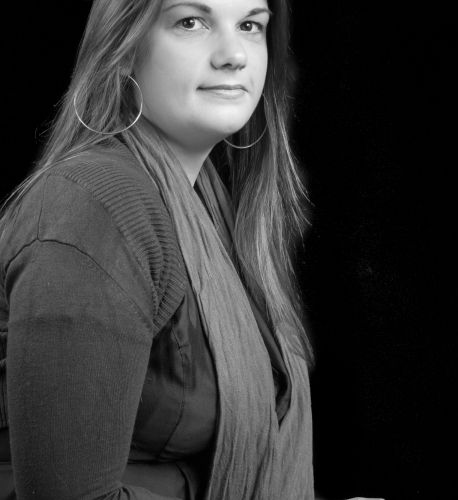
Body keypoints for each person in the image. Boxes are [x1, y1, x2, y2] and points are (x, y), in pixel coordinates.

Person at [0, 0, 317, 499]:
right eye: (191, 22)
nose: (234, 54)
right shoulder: (95, 207)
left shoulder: (208, 209)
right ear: (124, 48)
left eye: (250, 25)